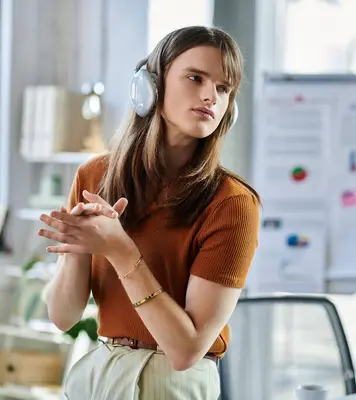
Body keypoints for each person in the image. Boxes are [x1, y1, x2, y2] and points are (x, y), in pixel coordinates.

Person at [38, 26, 260, 400]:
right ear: (149, 88)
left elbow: (186, 350)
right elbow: (64, 317)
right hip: (99, 369)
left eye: (223, 89)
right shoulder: (95, 176)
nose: (211, 96)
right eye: (195, 77)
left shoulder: (232, 202)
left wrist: (120, 250)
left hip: (171, 381)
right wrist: (79, 247)